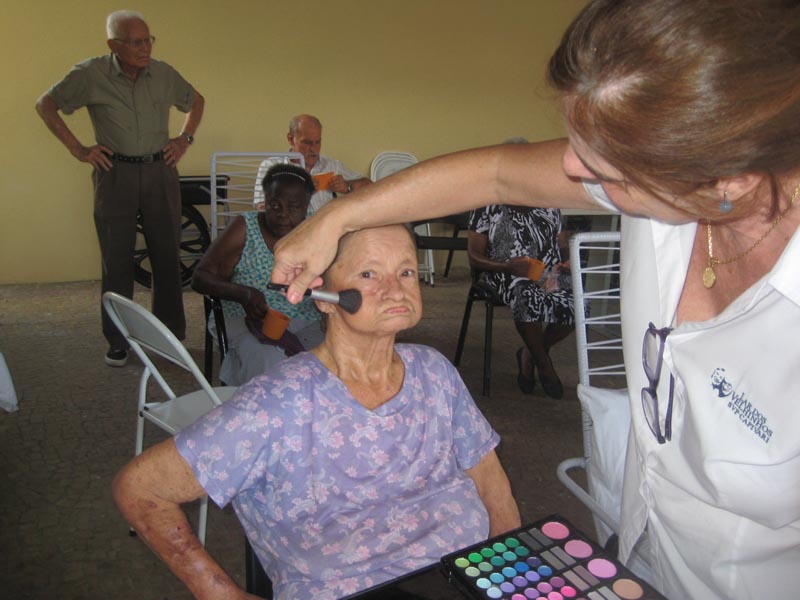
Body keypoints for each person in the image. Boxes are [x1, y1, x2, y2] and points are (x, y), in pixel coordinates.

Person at [270, 1, 800, 598]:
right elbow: (498, 172)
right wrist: (338, 215)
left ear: (726, 179)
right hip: (637, 544)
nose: (572, 167)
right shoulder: (674, 168)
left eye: (608, 168)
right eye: (577, 137)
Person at [113, 223, 521, 599]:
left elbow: (488, 476)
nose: (396, 290)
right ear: (324, 297)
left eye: (407, 272)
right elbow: (140, 487)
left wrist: (510, 569)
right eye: (368, 274)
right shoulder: (277, 404)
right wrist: (218, 592)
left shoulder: (435, 371)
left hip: (468, 574)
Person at [35, 10, 204, 367]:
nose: (145, 48)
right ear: (113, 45)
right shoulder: (90, 74)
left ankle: (170, 336)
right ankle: (118, 339)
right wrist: (78, 149)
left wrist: (185, 139)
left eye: (148, 40)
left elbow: (196, 101)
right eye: (136, 42)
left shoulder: (164, 73)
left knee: (166, 256)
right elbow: (46, 105)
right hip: (115, 173)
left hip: (160, 170)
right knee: (117, 261)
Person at [191, 163, 323, 386]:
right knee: (270, 367)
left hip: (304, 319)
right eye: (274, 205)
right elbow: (200, 277)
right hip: (245, 319)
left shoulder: (315, 230)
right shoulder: (245, 227)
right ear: (265, 202)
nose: (283, 214)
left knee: (328, 366)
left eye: (293, 207)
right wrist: (244, 294)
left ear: (306, 207)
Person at [468, 201, 574, 399]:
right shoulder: (487, 205)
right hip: (502, 272)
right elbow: (473, 255)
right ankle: (544, 365)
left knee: (577, 303)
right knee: (525, 295)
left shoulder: (548, 204)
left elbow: (562, 244)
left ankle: (531, 352)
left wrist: (567, 260)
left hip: (546, 274)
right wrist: (506, 267)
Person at [284, 114, 371, 214]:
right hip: (292, 227)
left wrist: (347, 187)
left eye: (318, 142)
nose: (313, 149)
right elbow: (264, 207)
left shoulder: (332, 165)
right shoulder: (273, 166)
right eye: (307, 142)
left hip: (328, 226)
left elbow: (370, 186)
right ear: (291, 139)